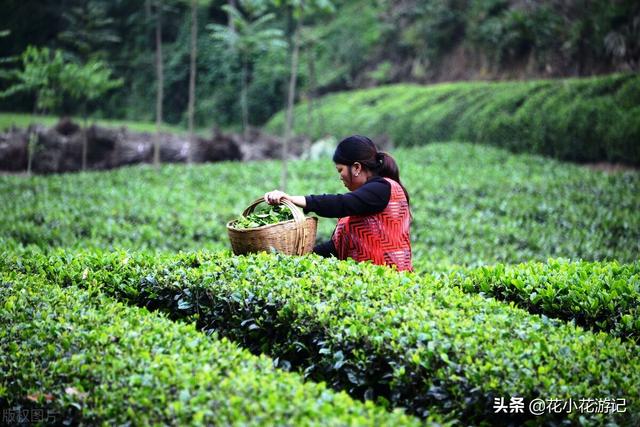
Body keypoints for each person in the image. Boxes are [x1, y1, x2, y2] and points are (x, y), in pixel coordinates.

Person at [264, 135, 412, 271]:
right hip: (364, 282)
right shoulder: (362, 201)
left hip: (388, 280)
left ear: (356, 168)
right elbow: (336, 247)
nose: (340, 177)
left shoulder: (382, 188)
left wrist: (293, 199)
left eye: (340, 170)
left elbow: (341, 203)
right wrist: (297, 258)